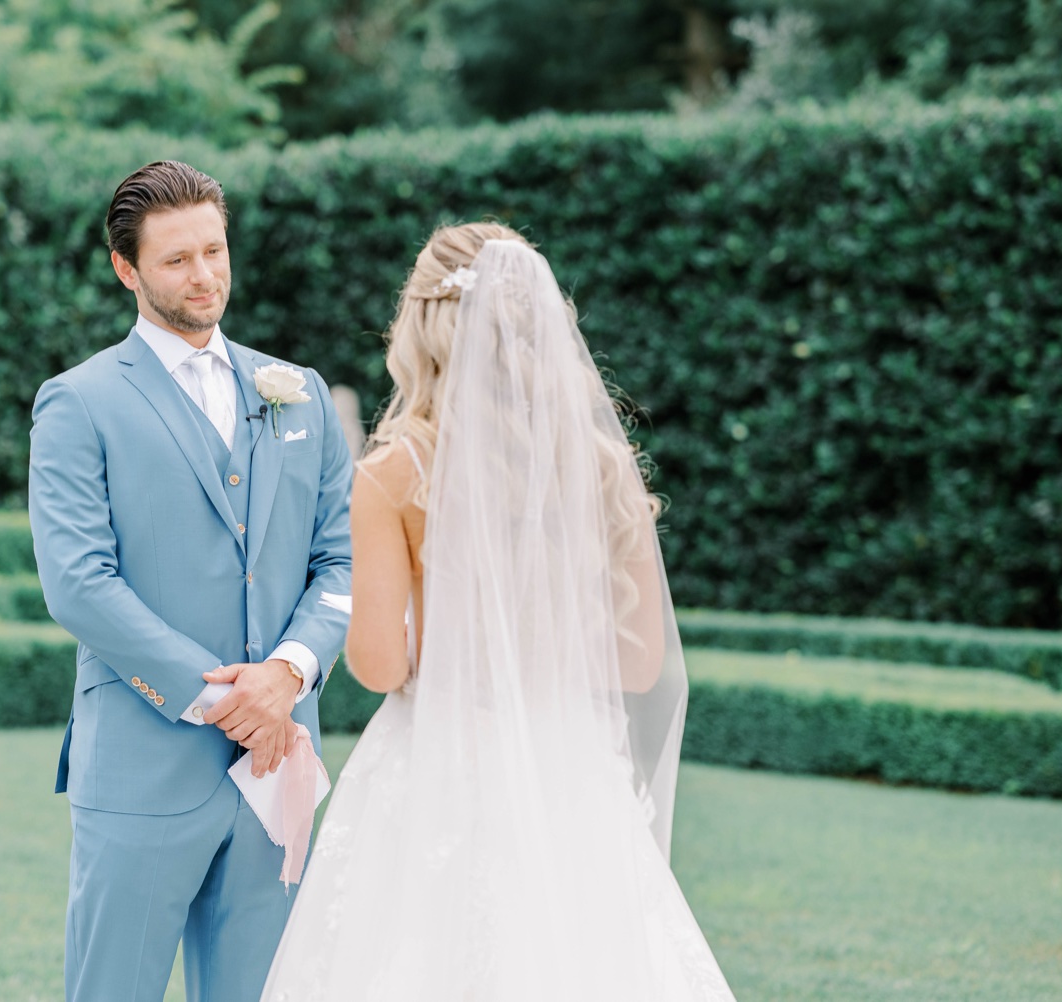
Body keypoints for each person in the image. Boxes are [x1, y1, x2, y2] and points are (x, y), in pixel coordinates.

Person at [260, 224, 736, 1000]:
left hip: (439, 764)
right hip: (567, 766)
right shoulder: (602, 464)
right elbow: (642, 662)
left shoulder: (394, 472)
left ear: (422, 326)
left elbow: (378, 666)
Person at [28, 160, 353, 1002]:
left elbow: (341, 561)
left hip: (280, 762)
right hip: (144, 765)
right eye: (177, 259)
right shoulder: (78, 403)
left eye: (214, 250)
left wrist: (285, 675)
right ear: (126, 269)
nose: (204, 275)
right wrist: (219, 701)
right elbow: (78, 583)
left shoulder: (300, 395)